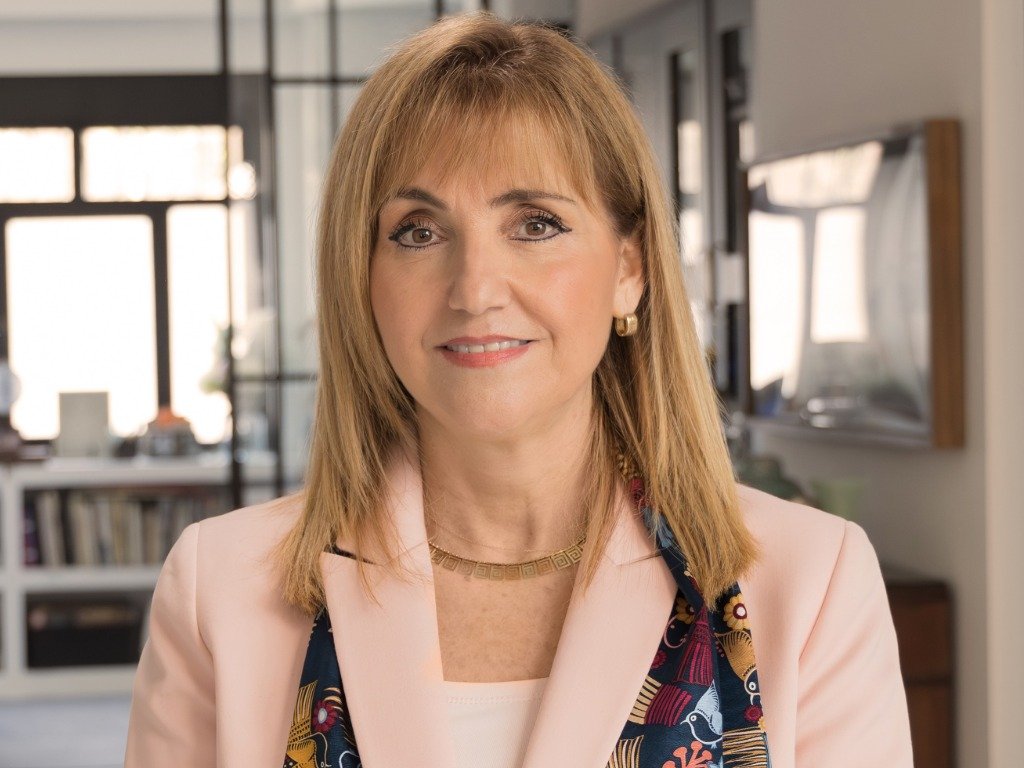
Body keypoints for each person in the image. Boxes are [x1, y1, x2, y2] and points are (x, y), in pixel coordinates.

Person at [124, 11, 913, 768]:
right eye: (418, 232)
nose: (475, 289)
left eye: (535, 224)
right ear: (361, 278)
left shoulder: (812, 582)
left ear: (630, 268)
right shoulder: (219, 589)